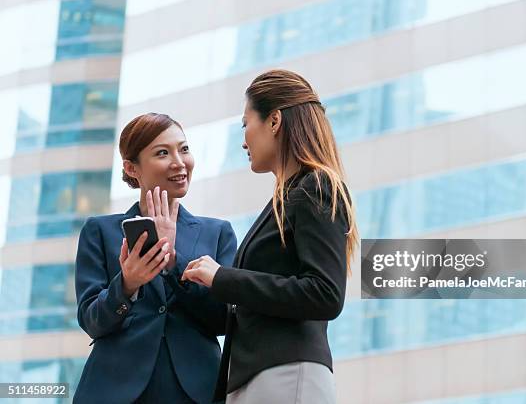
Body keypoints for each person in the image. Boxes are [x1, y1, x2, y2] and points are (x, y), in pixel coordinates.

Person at [181, 69, 359, 404]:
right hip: (261, 376)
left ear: (274, 121)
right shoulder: (285, 199)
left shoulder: (315, 186)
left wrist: (223, 277)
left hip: (286, 374)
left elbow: (325, 293)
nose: (243, 139)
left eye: (245, 123)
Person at [74, 113, 237, 404]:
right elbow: (91, 321)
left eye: (184, 149)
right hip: (114, 389)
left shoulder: (218, 233)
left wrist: (173, 263)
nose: (179, 162)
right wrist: (126, 285)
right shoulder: (100, 231)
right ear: (131, 167)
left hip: (197, 390)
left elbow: (224, 321)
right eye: (163, 153)